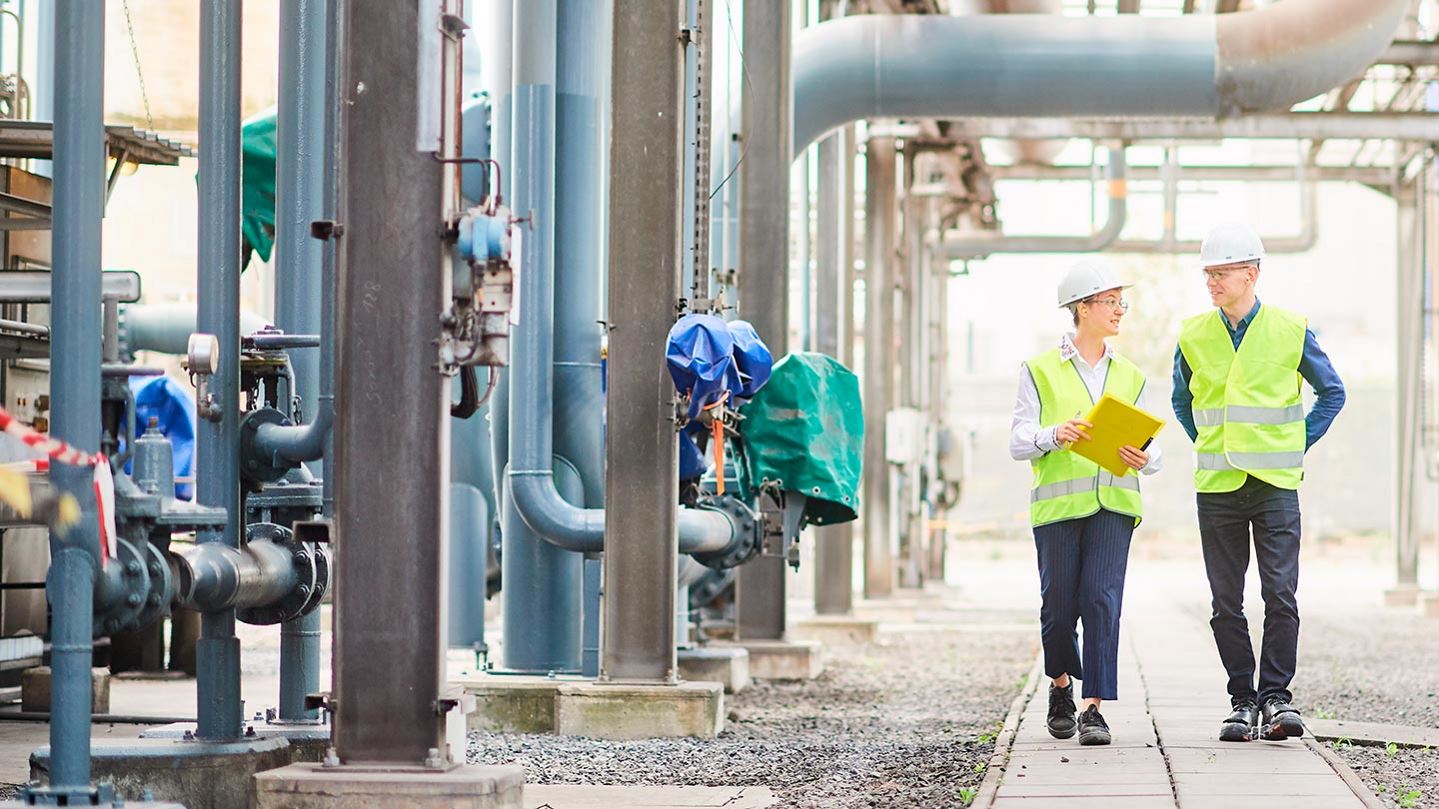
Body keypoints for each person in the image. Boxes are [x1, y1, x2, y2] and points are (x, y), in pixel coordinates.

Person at [1172, 222, 1345, 743]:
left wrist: (1294, 444)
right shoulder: (1193, 334)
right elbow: (1184, 402)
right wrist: (1211, 444)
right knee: (1225, 601)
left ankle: (1276, 699)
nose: (1212, 282)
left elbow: (1332, 393)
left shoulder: (1291, 328)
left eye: (1221, 272)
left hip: (1275, 484)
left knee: (1280, 593)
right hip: (1219, 486)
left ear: (1251, 273)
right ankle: (1241, 701)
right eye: (1207, 274)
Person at [1010, 257, 1162, 746]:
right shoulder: (1037, 370)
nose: (1121, 309)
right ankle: (1060, 688)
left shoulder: (1132, 375)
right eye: (1111, 301)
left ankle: (1094, 707)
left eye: (1122, 301)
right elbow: (1018, 440)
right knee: (1058, 608)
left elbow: (1152, 450)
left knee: (1101, 602)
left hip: (1114, 507)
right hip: (1057, 509)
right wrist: (1055, 434)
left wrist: (1144, 456)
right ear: (1082, 307)